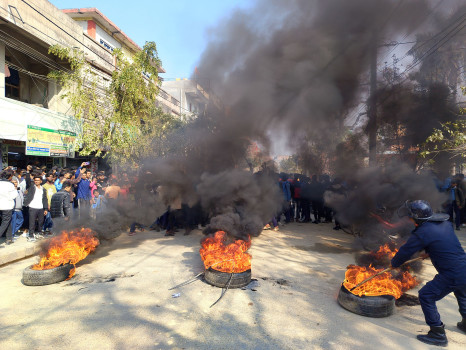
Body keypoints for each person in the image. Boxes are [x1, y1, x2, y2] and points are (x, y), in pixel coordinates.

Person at [391, 200, 466, 347]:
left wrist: (393, 264)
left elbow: (405, 252)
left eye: (411, 216)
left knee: (426, 295)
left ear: (417, 217)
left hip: (451, 273)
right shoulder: (445, 224)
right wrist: (429, 252)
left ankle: (437, 333)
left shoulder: (422, 233)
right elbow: (443, 244)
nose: (409, 219)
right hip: (464, 268)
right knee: (462, 294)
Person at [23, 175, 48, 242]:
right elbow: (28, 182)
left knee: (40, 222)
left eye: (38, 180)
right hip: (32, 207)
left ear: (41, 181)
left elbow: (45, 199)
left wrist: (45, 209)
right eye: (35, 180)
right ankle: (31, 235)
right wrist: (28, 173)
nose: (36, 181)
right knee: (32, 222)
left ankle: (39, 233)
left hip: (41, 207)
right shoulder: (32, 187)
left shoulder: (43, 189)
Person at [0, 169, 18, 245]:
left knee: (7, 222)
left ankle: (9, 238)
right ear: (10, 176)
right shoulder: (10, 185)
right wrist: (15, 190)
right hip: (7, 206)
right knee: (5, 223)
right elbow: (14, 195)